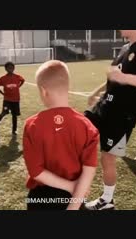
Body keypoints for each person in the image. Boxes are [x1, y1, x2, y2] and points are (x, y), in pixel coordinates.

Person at [84, 30, 136, 210]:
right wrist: (97, 92)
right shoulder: (126, 47)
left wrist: (125, 78)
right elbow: (114, 78)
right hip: (104, 107)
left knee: (107, 157)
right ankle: (73, 188)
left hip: (121, 114)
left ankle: (107, 200)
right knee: (78, 132)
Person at [23, 60, 98, 210]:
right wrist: (74, 202)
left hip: (42, 198)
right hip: (75, 194)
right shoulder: (87, 126)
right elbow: (89, 169)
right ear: (68, 88)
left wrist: (70, 186)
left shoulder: (32, 125)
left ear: (44, 91)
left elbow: (36, 171)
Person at [0, 62, 25, 136]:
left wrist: (18, 86)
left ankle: (14, 130)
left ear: (14, 68)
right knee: (3, 113)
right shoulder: (3, 78)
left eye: (12, 67)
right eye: (8, 68)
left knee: (14, 115)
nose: (10, 69)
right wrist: (2, 93)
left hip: (16, 100)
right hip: (7, 100)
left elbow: (23, 80)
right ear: (6, 69)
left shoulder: (17, 77)